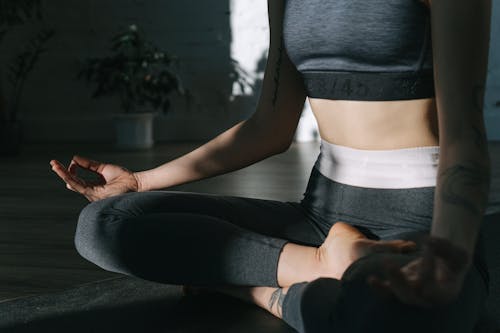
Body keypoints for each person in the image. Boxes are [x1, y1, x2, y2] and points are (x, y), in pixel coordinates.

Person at [50, 0, 493, 331]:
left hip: (414, 222)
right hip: (318, 216)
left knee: (384, 312)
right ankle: (318, 266)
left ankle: (255, 289)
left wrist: (449, 257)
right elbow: (271, 126)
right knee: (103, 224)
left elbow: (464, 135)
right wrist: (141, 181)